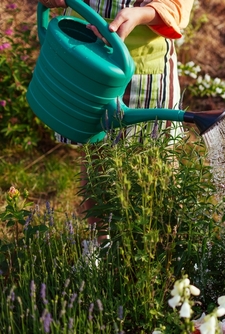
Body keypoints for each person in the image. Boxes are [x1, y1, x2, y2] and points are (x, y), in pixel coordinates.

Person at [37, 0, 194, 241]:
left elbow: (175, 5)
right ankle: (100, 244)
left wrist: (141, 14)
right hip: (86, 59)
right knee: (97, 156)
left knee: (159, 159)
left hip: (147, 68)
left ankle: (161, 245)